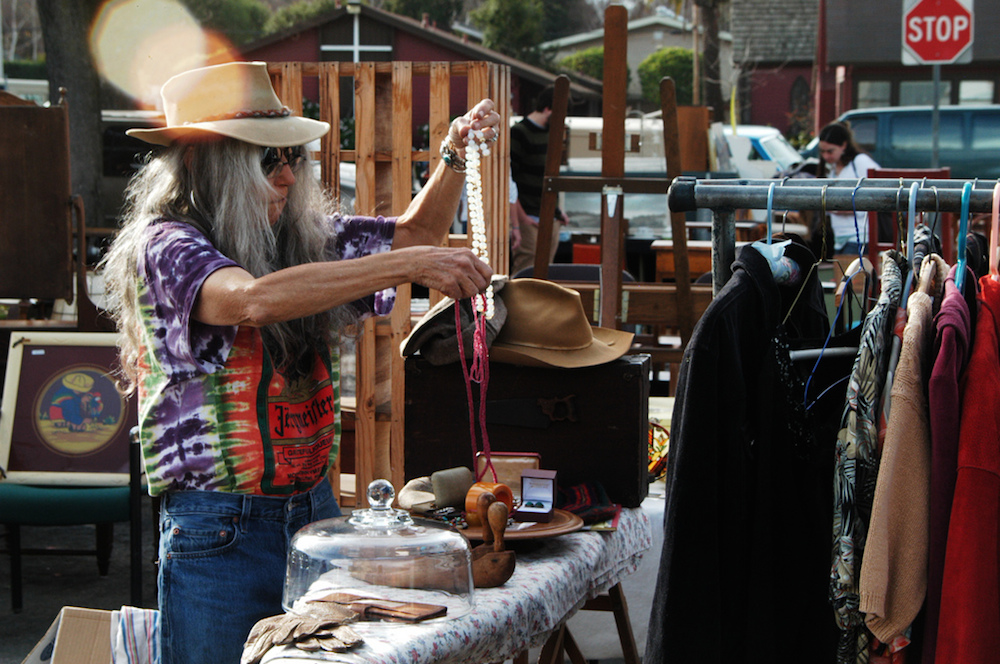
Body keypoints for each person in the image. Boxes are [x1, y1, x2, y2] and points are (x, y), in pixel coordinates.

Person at [99, 61, 498, 664]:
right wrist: (404, 268)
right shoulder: (166, 244)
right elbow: (248, 301)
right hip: (220, 525)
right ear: (211, 165)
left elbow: (414, 236)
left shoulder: (294, 240)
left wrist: (452, 155)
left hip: (313, 509)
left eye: (293, 157)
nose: (288, 175)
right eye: (268, 161)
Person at [509, 85, 569, 275]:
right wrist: (521, 219)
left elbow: (548, 176)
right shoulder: (519, 133)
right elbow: (509, 181)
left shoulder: (552, 133)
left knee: (546, 274)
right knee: (525, 272)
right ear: (548, 109)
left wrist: (558, 212)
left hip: (550, 217)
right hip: (527, 217)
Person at [818, 121, 881, 254]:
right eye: (822, 151)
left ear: (844, 145)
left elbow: (881, 189)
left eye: (830, 151)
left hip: (860, 235)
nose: (826, 156)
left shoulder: (860, 162)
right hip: (840, 237)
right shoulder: (832, 168)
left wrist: (841, 207)